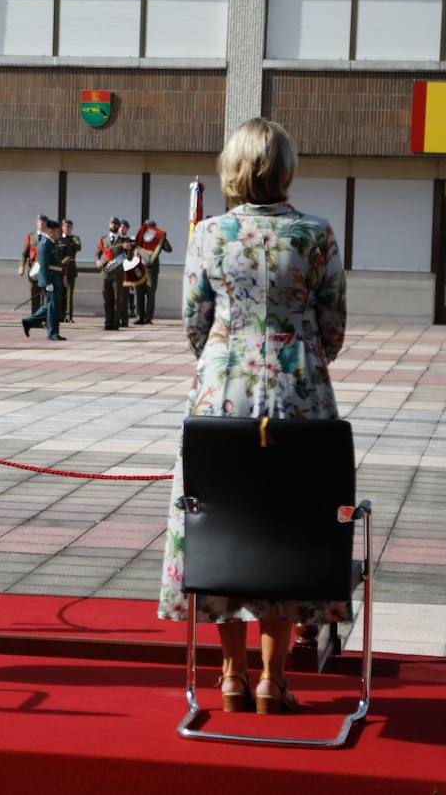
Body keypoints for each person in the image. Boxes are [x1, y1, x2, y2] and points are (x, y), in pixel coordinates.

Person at [158, 117, 347, 715]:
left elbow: (193, 321)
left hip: (222, 394)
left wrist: (225, 353)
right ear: (284, 167)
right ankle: (274, 679)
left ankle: (232, 675)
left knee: (223, 521)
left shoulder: (209, 234)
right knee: (290, 525)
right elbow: (334, 328)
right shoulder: (316, 235)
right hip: (300, 394)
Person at [21, 218, 66, 342]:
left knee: (52, 306)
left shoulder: (51, 243)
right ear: (51, 231)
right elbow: (44, 265)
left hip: (55, 277)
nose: (60, 234)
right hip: (50, 278)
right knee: (53, 307)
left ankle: (29, 322)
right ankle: (52, 333)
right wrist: (48, 283)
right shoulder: (45, 244)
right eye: (58, 231)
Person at [135, 218, 173, 324]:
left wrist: (163, 239)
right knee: (139, 293)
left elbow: (169, 250)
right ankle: (140, 317)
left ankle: (148, 318)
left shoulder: (158, 238)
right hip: (140, 268)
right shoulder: (140, 237)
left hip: (152, 269)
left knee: (150, 293)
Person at [96, 216, 127, 330]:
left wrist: (128, 249)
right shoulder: (103, 240)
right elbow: (97, 253)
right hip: (105, 273)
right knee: (107, 299)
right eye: (111, 223)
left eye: (115, 224)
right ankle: (108, 322)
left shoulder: (123, 241)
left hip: (117, 274)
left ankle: (115, 323)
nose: (113, 225)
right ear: (109, 225)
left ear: (118, 226)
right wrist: (98, 261)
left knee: (117, 299)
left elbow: (128, 257)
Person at [18, 214, 48, 314]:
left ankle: (43, 317)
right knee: (34, 292)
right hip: (34, 268)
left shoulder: (49, 236)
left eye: (43, 222)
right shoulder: (30, 237)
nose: (41, 223)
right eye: (39, 221)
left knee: (45, 293)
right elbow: (24, 254)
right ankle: (35, 317)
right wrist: (21, 266)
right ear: (37, 223)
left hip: (45, 268)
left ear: (46, 223)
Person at [59, 219, 81, 323]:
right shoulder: (58, 239)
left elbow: (78, 247)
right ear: (62, 227)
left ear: (71, 228)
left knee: (69, 293)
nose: (67, 228)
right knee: (60, 292)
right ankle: (60, 315)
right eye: (65, 226)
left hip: (71, 267)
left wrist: (67, 241)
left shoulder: (75, 238)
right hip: (60, 267)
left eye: (69, 227)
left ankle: (68, 316)